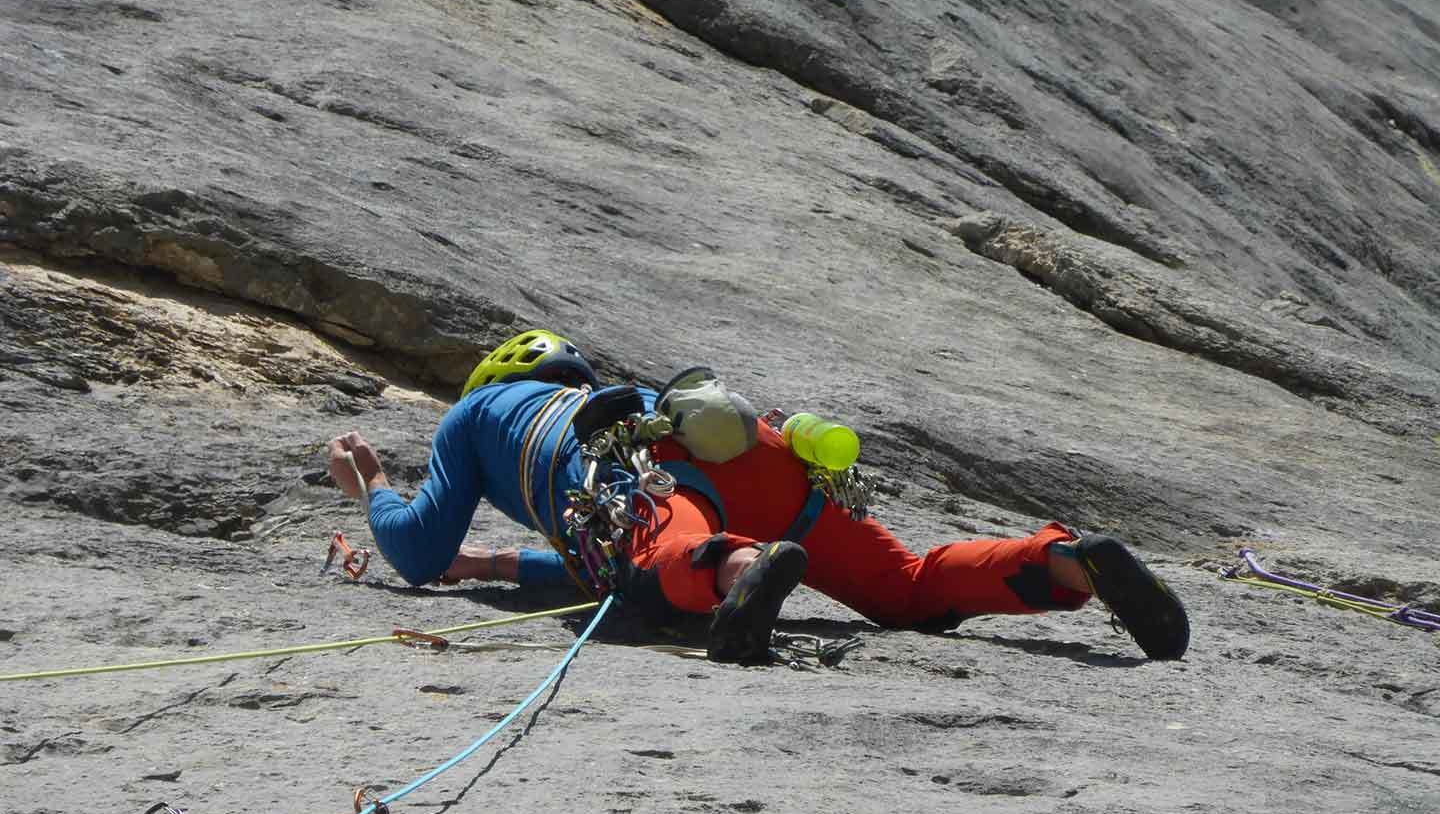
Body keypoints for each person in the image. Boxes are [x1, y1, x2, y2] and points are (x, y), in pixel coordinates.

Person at [328, 330, 1189, 663]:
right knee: (911, 591)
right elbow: (589, 562)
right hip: (762, 451)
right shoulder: (609, 397)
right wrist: (498, 562)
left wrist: (370, 485)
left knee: (667, 563)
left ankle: (744, 567)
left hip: (658, 468)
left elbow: (414, 551)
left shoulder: (477, 413)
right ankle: (1068, 563)